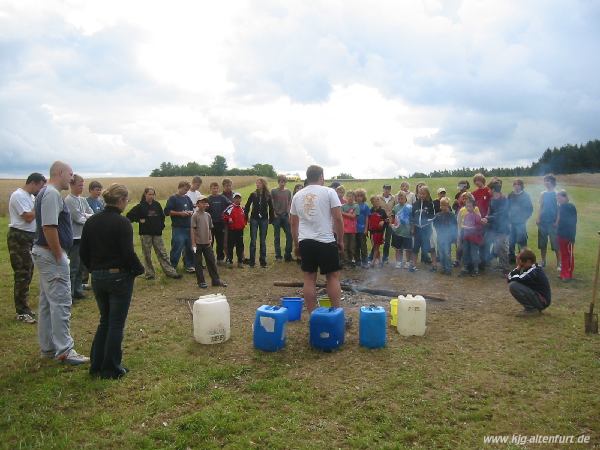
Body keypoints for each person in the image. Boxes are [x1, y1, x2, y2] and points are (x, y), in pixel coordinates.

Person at [80, 183, 144, 379]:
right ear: (121, 200)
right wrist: (137, 269)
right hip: (118, 277)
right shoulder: (122, 223)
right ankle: (111, 368)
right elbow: (127, 253)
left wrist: (94, 269)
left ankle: (96, 365)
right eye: (126, 200)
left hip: (98, 277)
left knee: (104, 321)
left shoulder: (91, 221)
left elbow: (83, 251)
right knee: (116, 323)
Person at [31, 161, 89, 365]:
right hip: (51, 255)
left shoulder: (45, 193)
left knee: (47, 303)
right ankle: (65, 350)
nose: (72, 179)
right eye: (70, 174)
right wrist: (59, 255)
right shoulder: (52, 194)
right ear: (60, 172)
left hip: (45, 253)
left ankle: (48, 348)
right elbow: (49, 227)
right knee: (61, 302)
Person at [290, 165, 343, 314]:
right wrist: (340, 240)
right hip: (326, 241)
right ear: (321, 177)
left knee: (309, 278)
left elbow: (293, 223)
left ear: (307, 177)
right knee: (332, 277)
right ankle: (336, 313)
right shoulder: (329, 192)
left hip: (305, 241)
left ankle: (313, 314)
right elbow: (338, 219)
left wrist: (296, 244)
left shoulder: (298, 195)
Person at [8, 172, 46, 323]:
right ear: (33, 183)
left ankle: (25, 308)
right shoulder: (18, 195)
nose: (40, 191)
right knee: (22, 273)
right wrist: (41, 204)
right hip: (19, 237)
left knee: (28, 272)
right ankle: (21, 312)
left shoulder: (31, 197)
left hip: (30, 236)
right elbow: (28, 217)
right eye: (40, 187)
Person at [126, 187, 182, 280]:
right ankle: (149, 274)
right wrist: (139, 220)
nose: (151, 196)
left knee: (162, 253)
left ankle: (171, 272)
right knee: (147, 254)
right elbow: (129, 216)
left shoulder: (157, 205)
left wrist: (161, 226)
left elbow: (162, 217)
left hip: (157, 233)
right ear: (145, 194)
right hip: (145, 234)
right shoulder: (140, 206)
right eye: (149, 194)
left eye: (153, 194)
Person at [64, 174, 94, 300]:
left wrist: (86, 215)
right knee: (74, 267)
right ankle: (70, 294)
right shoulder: (69, 200)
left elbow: (91, 213)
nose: (81, 188)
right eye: (79, 185)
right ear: (71, 185)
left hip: (84, 236)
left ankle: (78, 290)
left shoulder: (82, 200)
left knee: (82, 266)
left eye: (82, 185)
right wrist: (86, 216)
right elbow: (78, 218)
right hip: (75, 238)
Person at [191, 196, 227, 288]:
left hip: (207, 243)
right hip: (198, 244)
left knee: (211, 261)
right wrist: (193, 243)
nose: (204, 204)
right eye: (202, 202)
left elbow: (210, 228)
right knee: (198, 263)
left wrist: (210, 238)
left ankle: (216, 280)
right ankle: (201, 282)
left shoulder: (208, 215)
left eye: (205, 202)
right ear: (197, 204)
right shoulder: (195, 215)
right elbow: (193, 230)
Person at [507, 248, 551, 315]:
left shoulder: (534, 270)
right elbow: (509, 278)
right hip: (540, 299)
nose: (522, 266)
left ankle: (531, 309)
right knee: (514, 284)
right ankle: (532, 308)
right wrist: (519, 267)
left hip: (542, 301)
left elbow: (514, 279)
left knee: (513, 285)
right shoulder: (531, 268)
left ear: (528, 261)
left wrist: (519, 268)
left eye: (522, 263)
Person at [164, 181, 195, 273]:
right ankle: (172, 266)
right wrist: (180, 213)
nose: (186, 191)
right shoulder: (173, 198)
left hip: (189, 227)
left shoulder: (187, 198)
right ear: (180, 187)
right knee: (177, 247)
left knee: (189, 247)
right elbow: (167, 211)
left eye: (187, 190)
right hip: (178, 228)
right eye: (185, 189)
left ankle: (189, 265)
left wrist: (190, 212)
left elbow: (191, 209)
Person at [482, 180, 510, 275]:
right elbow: (490, 212)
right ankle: (498, 264)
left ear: (493, 189)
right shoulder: (492, 199)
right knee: (495, 247)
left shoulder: (504, 199)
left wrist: (487, 218)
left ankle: (505, 269)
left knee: (502, 248)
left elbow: (501, 214)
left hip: (502, 228)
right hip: (492, 228)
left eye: (489, 189)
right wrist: (486, 218)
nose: (488, 191)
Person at [244, 178, 274, 268]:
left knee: (262, 241)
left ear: (263, 184)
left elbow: (271, 208)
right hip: (254, 219)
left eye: (259, 183)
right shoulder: (253, 194)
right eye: (256, 183)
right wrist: (246, 217)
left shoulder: (268, 195)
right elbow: (247, 206)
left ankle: (263, 262)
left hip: (264, 220)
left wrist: (271, 219)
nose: (257, 184)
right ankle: (252, 262)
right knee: (253, 241)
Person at [536, 174, 560, 270]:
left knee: (555, 244)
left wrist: (557, 221)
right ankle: (543, 261)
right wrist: (538, 218)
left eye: (548, 181)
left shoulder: (556, 194)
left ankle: (559, 264)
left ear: (553, 182)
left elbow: (559, 209)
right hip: (543, 222)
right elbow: (541, 207)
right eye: (545, 180)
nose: (546, 182)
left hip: (552, 222)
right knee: (542, 243)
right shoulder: (543, 194)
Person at [410, 185, 436, 272]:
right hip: (417, 229)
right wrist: (413, 228)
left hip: (427, 229)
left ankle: (434, 265)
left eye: (423, 194)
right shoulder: (415, 204)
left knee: (431, 248)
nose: (421, 195)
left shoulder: (430, 204)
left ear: (427, 194)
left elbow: (433, 216)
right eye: (420, 193)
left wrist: (428, 222)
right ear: (417, 194)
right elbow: (412, 217)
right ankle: (413, 265)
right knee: (415, 248)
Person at [508, 179, 533, 263]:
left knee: (521, 241)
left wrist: (524, 218)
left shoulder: (525, 196)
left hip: (520, 223)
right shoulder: (511, 195)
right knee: (511, 241)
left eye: (518, 184)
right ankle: (511, 258)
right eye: (514, 184)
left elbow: (529, 209)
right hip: (511, 222)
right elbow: (506, 207)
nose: (516, 186)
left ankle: (523, 258)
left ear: (521, 186)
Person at [207, 182, 231, 264]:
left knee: (220, 242)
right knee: (210, 242)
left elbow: (230, 206)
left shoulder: (222, 198)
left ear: (218, 189)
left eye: (216, 188)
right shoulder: (208, 199)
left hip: (220, 223)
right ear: (210, 189)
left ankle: (220, 258)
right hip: (210, 224)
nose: (215, 190)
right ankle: (210, 259)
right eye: (213, 188)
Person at [271, 174, 293, 262]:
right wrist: (273, 213)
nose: (282, 183)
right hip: (276, 216)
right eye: (281, 181)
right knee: (277, 237)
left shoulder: (288, 192)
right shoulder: (273, 191)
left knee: (289, 235)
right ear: (278, 182)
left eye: (284, 181)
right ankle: (278, 256)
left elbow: (289, 203)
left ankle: (288, 254)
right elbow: (271, 203)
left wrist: (288, 212)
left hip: (285, 216)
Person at [433, 197, 457, 275]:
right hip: (440, 237)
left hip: (448, 238)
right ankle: (443, 267)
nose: (442, 207)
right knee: (441, 253)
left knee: (447, 253)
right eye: (441, 205)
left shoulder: (452, 215)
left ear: (448, 205)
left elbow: (454, 226)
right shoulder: (438, 215)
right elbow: (435, 225)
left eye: (444, 205)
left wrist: (453, 237)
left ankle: (448, 268)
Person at [556, 190, 577, 281]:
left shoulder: (570, 207)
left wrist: (571, 236)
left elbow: (572, 222)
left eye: (559, 197)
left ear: (565, 197)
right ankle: (563, 273)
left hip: (568, 235)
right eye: (557, 198)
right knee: (563, 255)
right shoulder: (561, 207)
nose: (558, 199)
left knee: (568, 255)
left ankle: (568, 274)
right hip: (561, 234)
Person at [459, 199, 483, 277]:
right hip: (466, 238)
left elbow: (479, 228)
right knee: (465, 252)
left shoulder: (477, 217)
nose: (468, 208)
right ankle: (465, 267)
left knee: (474, 253)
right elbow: (463, 226)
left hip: (474, 239)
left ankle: (476, 269)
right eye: (467, 206)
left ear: (474, 207)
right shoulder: (466, 216)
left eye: (469, 206)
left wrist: (470, 228)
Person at [390, 191, 413, 270]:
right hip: (398, 231)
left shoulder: (410, 207)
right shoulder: (395, 207)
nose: (400, 199)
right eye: (399, 198)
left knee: (408, 249)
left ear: (405, 199)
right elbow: (392, 217)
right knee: (398, 248)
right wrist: (391, 224)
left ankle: (407, 262)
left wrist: (412, 228)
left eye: (402, 198)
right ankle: (398, 262)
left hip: (407, 232)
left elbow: (412, 219)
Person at [223, 192, 246, 268]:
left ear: (241, 199)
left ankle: (240, 261)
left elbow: (245, 218)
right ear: (233, 199)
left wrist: (244, 224)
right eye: (236, 198)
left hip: (240, 231)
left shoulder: (242, 208)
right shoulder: (230, 207)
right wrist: (229, 218)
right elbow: (223, 215)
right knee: (230, 246)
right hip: (232, 230)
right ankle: (230, 261)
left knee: (240, 246)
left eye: (239, 198)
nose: (237, 199)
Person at [341, 190, 359, 267]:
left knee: (351, 246)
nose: (350, 198)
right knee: (345, 246)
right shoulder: (343, 206)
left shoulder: (356, 206)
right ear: (346, 197)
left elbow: (353, 216)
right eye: (349, 196)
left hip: (352, 229)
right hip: (344, 229)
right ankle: (346, 261)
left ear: (354, 198)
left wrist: (343, 213)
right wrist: (345, 213)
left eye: (352, 196)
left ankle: (351, 260)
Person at [380, 184, 397, 264]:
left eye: (388, 189)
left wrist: (393, 220)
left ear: (390, 190)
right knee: (378, 238)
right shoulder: (379, 198)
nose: (387, 190)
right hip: (381, 221)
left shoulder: (394, 198)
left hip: (390, 221)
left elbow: (395, 209)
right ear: (383, 189)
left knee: (387, 240)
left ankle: (385, 257)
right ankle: (373, 256)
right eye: (385, 188)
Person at [368, 195, 387, 268]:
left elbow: (387, 220)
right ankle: (379, 260)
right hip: (372, 231)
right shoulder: (371, 210)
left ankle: (373, 261)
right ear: (372, 203)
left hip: (379, 232)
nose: (377, 202)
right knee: (374, 246)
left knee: (376, 246)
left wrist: (383, 222)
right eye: (375, 201)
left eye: (378, 201)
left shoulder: (382, 211)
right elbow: (369, 219)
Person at [354, 188, 370, 269]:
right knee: (356, 246)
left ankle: (365, 261)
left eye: (361, 196)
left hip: (362, 229)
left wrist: (366, 229)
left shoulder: (365, 206)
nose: (359, 197)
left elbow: (367, 218)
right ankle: (357, 261)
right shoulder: (353, 205)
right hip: (354, 229)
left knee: (363, 246)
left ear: (363, 197)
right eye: (357, 196)